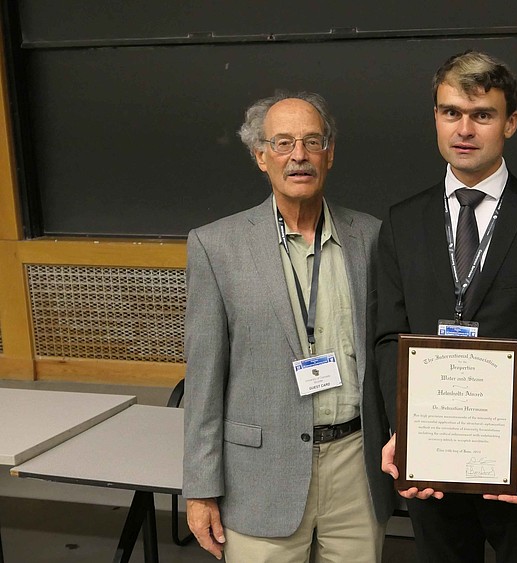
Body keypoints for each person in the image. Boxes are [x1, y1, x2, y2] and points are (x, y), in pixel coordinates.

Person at [375, 51, 517, 563]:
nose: (464, 129)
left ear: (510, 122)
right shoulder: (402, 223)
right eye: (451, 112)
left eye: (482, 115)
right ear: (435, 117)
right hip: (432, 461)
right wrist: (403, 430)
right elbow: (389, 337)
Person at [182, 91, 394, 562]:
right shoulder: (217, 246)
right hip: (259, 474)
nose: (298, 155)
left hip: (356, 466)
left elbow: (390, 352)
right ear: (260, 156)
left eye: (312, 141)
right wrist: (200, 489)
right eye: (282, 143)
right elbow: (202, 382)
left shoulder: (373, 237)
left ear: (330, 153)